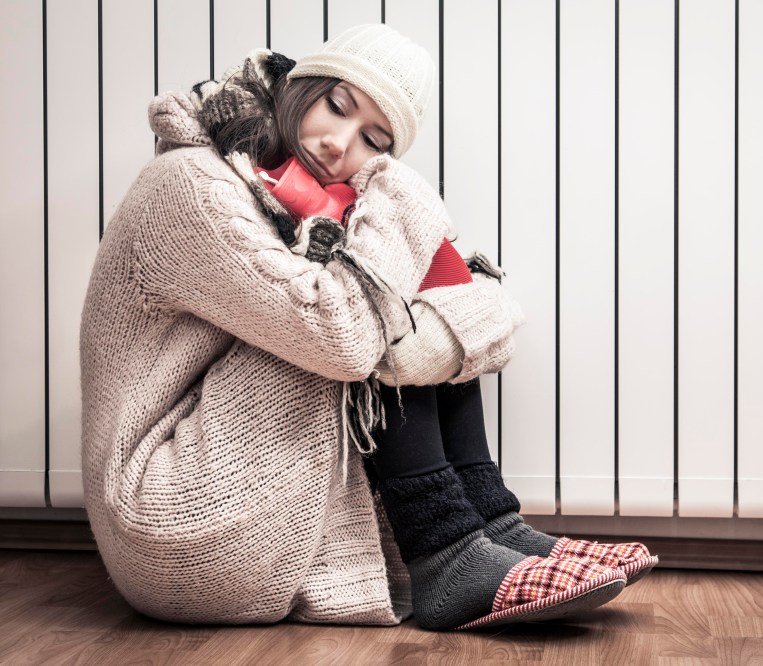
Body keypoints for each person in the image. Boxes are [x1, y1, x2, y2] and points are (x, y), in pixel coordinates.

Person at [81, 23, 656, 631]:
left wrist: (446, 325)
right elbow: (350, 335)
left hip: (246, 507)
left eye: (372, 141)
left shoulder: (301, 205)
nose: (339, 144)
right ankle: (448, 550)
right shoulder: (191, 186)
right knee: (356, 310)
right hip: (175, 518)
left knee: (393, 297)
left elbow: (473, 302)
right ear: (300, 87)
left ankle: (487, 522)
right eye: (336, 106)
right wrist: (400, 194)